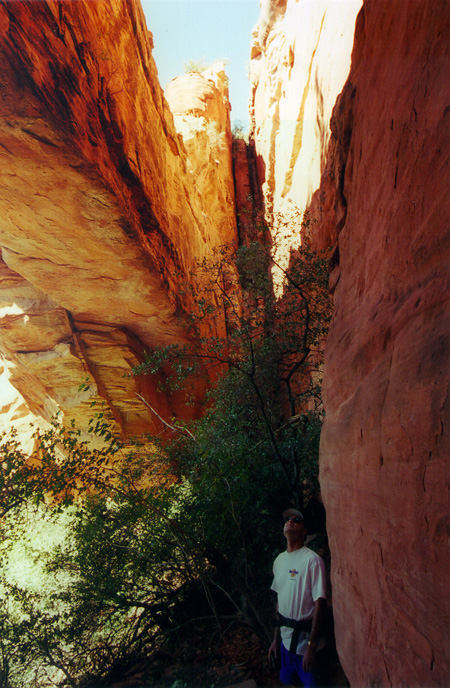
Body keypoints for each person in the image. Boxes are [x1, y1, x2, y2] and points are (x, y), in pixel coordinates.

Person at [268, 507, 327, 687]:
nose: (290, 521)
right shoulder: (279, 560)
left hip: (305, 644)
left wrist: (311, 646)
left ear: (304, 531)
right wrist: (275, 640)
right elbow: (280, 602)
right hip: (285, 644)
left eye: (296, 520)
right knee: (289, 682)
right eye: (288, 519)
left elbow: (320, 604)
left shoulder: (312, 560)